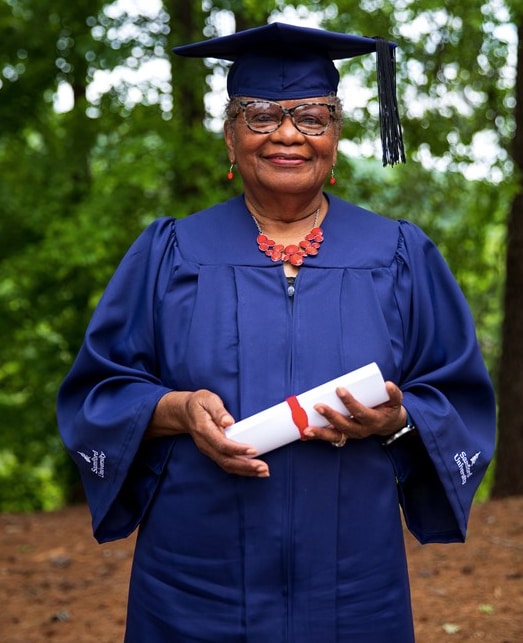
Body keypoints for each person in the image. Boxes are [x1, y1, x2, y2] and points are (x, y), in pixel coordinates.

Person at [57, 22, 496, 643]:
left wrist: (396, 418)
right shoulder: (171, 251)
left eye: (312, 117)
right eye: (260, 115)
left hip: (354, 584)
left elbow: (459, 394)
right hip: (194, 582)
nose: (287, 133)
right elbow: (98, 392)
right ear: (230, 138)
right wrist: (177, 409)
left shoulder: (398, 253)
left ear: (335, 138)